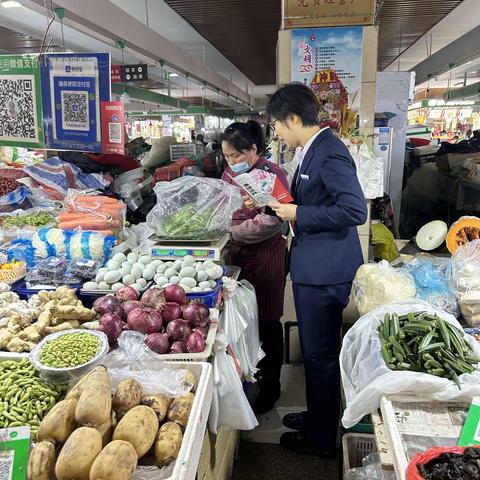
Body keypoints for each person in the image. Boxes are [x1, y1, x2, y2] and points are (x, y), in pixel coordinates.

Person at [265, 83, 367, 455]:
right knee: (315, 351)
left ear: (293, 119)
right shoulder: (312, 150)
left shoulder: (329, 153)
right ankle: (317, 415)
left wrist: (299, 214)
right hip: (316, 265)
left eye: (277, 123)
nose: (275, 131)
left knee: (320, 354)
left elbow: (355, 210)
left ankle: (322, 439)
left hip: (325, 273)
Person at [221, 120, 288, 414]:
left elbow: (275, 219)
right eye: (226, 157)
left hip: (265, 259)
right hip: (236, 259)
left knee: (268, 323)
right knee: (243, 321)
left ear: (252, 150)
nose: (231, 162)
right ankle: (247, 377)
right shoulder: (227, 175)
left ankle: (271, 387)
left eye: (236, 156)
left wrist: (234, 233)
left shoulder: (271, 175)